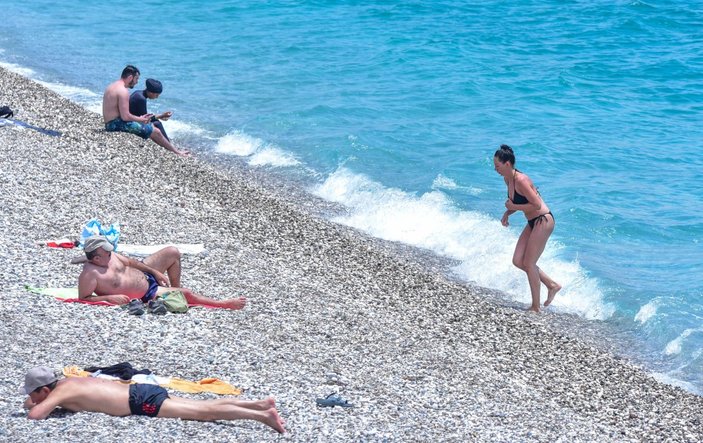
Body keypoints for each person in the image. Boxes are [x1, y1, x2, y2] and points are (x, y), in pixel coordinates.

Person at [20, 367, 286, 433]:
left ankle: (261, 416)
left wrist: (36, 404)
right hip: (141, 390)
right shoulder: (69, 383)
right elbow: (37, 405)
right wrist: (37, 401)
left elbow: (35, 415)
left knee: (202, 411)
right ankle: (259, 404)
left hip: (139, 402)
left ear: (44, 390)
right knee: (197, 406)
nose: (30, 398)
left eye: (33, 393)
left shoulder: (61, 393)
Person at [74, 235, 246, 310]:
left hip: (145, 274)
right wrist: (108, 298)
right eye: (106, 253)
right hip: (147, 293)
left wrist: (154, 272)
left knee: (172, 251)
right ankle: (223, 304)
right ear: (96, 259)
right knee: (187, 294)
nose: (110, 254)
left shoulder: (110, 256)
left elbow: (131, 262)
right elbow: (84, 298)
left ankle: (175, 290)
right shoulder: (90, 274)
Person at [493, 144, 561, 313]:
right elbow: (520, 202)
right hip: (532, 222)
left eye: (498, 166)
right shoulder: (508, 180)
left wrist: (513, 206)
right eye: (495, 166)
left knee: (529, 263)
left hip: (543, 220)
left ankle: (536, 307)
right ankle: (551, 285)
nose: (496, 169)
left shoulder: (521, 180)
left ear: (507, 164)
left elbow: (536, 205)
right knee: (518, 260)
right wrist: (508, 212)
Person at [102, 65, 190, 157]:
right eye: (136, 79)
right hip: (115, 125)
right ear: (130, 77)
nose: (136, 82)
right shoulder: (123, 91)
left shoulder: (112, 86)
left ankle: (172, 148)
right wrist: (141, 120)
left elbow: (122, 114)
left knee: (152, 125)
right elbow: (125, 117)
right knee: (156, 131)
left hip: (110, 123)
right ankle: (177, 152)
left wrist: (141, 119)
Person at [129, 78, 172, 142]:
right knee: (157, 123)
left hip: (131, 119)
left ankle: (166, 142)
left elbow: (144, 116)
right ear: (151, 92)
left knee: (155, 121)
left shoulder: (138, 93)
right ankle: (167, 143)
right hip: (131, 123)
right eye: (157, 95)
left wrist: (162, 115)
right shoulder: (141, 99)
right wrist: (160, 116)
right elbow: (146, 120)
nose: (157, 97)